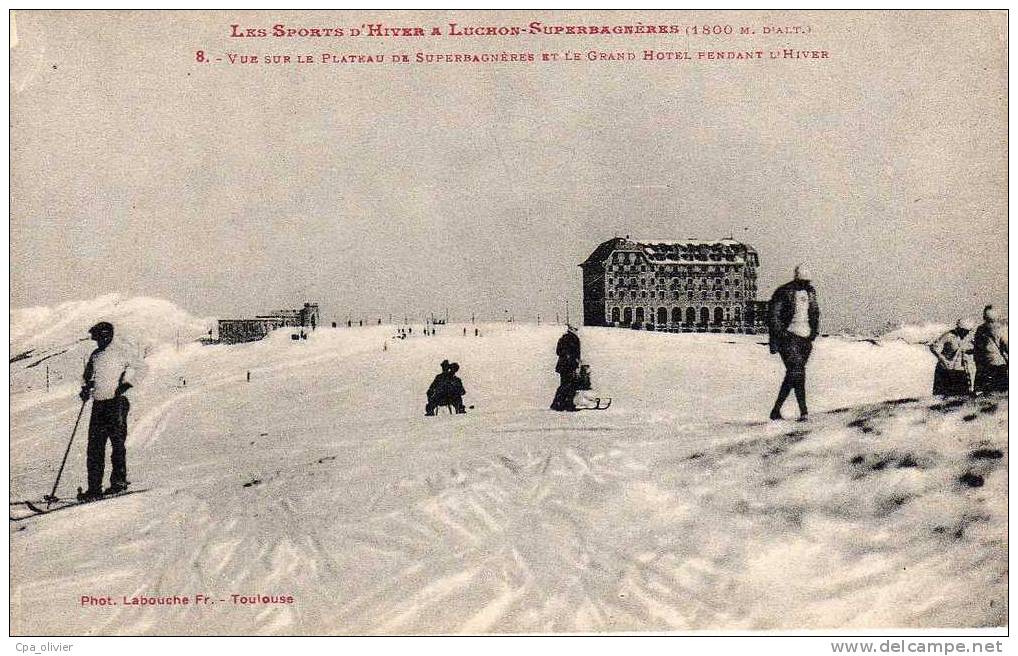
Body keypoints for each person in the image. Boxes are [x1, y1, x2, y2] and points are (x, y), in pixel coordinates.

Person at [78, 322, 143, 500]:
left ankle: (119, 483)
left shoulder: (122, 352)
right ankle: (94, 488)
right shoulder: (96, 355)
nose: (97, 341)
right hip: (98, 404)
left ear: (107, 336)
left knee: (117, 444)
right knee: (95, 447)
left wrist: (126, 384)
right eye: (96, 338)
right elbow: (88, 376)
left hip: (117, 403)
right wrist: (86, 388)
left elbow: (138, 368)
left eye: (99, 337)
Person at [767, 264, 820, 421]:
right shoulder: (783, 291)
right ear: (796, 279)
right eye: (802, 281)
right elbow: (773, 315)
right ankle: (804, 412)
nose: (805, 284)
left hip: (805, 338)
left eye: (807, 281)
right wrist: (781, 335)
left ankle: (776, 411)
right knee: (797, 372)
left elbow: (815, 312)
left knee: (795, 374)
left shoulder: (811, 292)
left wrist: (813, 333)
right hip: (789, 337)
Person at [929, 318, 976, 396]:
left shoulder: (969, 337)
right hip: (944, 370)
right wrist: (943, 359)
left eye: (968, 331)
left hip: (960, 370)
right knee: (941, 396)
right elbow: (933, 347)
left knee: (961, 397)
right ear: (959, 328)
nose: (966, 333)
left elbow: (978, 347)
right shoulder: (948, 335)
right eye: (964, 330)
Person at [973, 305, 1008, 394]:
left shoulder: (980, 329)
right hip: (996, 366)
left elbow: (977, 350)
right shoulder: (1001, 329)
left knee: (984, 395)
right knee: (999, 394)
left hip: (985, 366)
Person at [551, 325, 581, 411]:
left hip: (566, 365)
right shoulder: (570, 338)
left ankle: (560, 403)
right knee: (568, 385)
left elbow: (559, 351)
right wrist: (569, 357)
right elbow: (560, 351)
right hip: (567, 365)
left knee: (567, 384)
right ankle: (565, 404)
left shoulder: (568, 338)